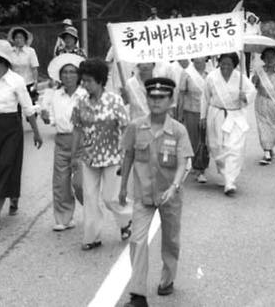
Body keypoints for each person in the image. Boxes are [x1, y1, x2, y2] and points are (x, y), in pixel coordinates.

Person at [119, 77, 193, 307]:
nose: (156, 101)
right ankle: (138, 295)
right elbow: (128, 155)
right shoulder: (135, 126)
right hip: (143, 193)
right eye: (152, 96)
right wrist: (122, 187)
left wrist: (174, 186)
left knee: (170, 241)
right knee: (137, 241)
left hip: (169, 196)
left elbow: (182, 163)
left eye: (162, 97)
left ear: (171, 101)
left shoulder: (178, 130)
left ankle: (167, 279)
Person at [0, 39, 43, 230]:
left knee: (6, 164)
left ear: (2, 60)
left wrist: (37, 133)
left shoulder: (16, 80)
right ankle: (12, 194)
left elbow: (28, 108)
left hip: (11, 126)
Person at [71, 58, 132, 250]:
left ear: (100, 80)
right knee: (89, 197)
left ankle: (127, 219)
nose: (85, 85)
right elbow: (77, 129)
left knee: (110, 198)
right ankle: (92, 237)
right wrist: (74, 155)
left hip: (113, 156)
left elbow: (126, 127)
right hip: (89, 157)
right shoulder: (81, 103)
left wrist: (126, 153)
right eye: (84, 81)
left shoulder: (114, 101)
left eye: (89, 81)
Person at [41, 53, 86, 230]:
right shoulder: (55, 95)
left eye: (72, 72)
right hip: (62, 140)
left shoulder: (84, 95)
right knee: (61, 182)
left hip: (82, 142)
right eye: (64, 72)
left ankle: (91, 209)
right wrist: (46, 118)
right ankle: (63, 218)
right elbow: (51, 118)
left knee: (80, 183)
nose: (67, 75)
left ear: (78, 75)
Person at [200, 53, 256, 195]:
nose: (225, 66)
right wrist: (202, 116)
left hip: (235, 116)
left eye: (229, 64)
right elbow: (205, 97)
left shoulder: (241, 78)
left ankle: (230, 181)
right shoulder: (212, 77)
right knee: (216, 147)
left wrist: (245, 97)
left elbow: (252, 92)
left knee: (234, 148)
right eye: (223, 63)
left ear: (235, 65)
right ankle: (225, 175)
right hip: (216, 115)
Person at [251, 48, 275, 165]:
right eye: (266, 57)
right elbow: (254, 86)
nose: (269, 59)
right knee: (263, 127)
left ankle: (270, 147)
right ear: (263, 58)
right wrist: (255, 79)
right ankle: (266, 152)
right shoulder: (259, 71)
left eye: (272, 56)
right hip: (261, 101)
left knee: (274, 128)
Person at [176, 56, 208, 182]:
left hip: (206, 112)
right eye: (197, 59)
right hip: (191, 111)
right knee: (194, 140)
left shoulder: (209, 74)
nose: (200, 60)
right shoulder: (187, 73)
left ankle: (202, 163)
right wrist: (179, 114)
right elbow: (181, 95)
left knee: (205, 139)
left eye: (202, 58)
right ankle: (198, 168)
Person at [7, 26, 40, 103]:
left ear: (25, 39)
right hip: (14, 84)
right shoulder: (10, 52)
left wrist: (35, 82)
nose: (18, 40)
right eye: (16, 38)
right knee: (16, 106)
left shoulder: (30, 51)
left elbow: (34, 68)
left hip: (28, 83)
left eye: (21, 38)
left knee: (30, 106)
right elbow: (8, 68)